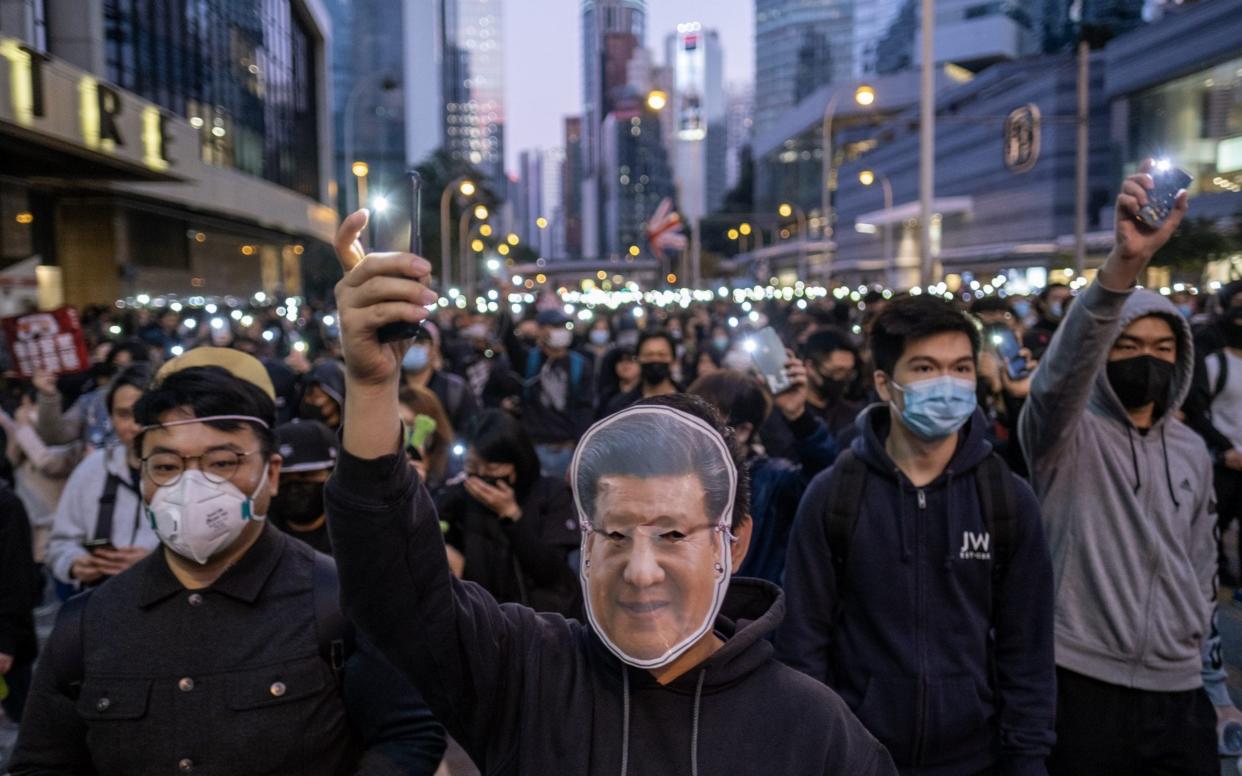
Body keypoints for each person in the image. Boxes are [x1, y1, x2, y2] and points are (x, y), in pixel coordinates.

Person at [324, 209, 897, 775]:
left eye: (672, 533)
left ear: (733, 544)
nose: (640, 570)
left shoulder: (812, 731)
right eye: (617, 535)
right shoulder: (527, 672)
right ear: (588, 541)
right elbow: (395, 592)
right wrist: (372, 386)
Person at [9, 346, 446, 775]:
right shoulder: (88, 623)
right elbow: (43, 761)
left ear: (270, 474)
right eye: (165, 466)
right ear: (142, 475)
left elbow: (408, 737)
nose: (190, 486)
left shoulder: (338, 604)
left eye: (221, 463)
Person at [777, 294, 1055, 775]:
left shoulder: (1006, 499)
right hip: (857, 756)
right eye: (925, 368)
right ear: (886, 384)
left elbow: (1026, 646)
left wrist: (1028, 758)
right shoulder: (835, 496)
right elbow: (804, 642)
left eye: (961, 368)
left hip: (978, 758)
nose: (947, 384)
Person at [1018, 164, 1218, 773]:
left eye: (1163, 350)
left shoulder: (1190, 451)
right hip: (1081, 680)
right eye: (1128, 348)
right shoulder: (1061, 434)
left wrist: (1214, 680)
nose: (1146, 362)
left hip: (1180, 689)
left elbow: (1202, 566)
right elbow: (1063, 373)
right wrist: (1123, 265)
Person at [689, 364, 839, 586]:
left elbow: (825, 477)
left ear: (743, 431)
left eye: (705, 421)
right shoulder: (677, 476)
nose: (692, 431)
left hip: (748, 611)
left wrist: (798, 416)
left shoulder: (772, 479)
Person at [435, 409, 581, 615]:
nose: (483, 476)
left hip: (542, 618)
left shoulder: (550, 493)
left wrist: (511, 514)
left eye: (492, 468)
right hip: (483, 616)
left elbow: (552, 572)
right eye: (473, 466)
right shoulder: (463, 493)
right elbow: (428, 522)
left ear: (516, 462)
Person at [43, 364, 159, 589]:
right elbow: (59, 544)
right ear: (111, 418)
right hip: (102, 603)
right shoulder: (92, 469)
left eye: (144, 414)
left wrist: (158, 563)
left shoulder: (191, 473)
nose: (135, 426)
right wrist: (75, 564)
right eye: (124, 414)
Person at [1184, 299, 1242, 586]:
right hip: (1223, 460)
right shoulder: (1214, 364)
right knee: (1216, 523)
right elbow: (1198, 411)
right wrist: (1224, 448)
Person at [501, 308, 595, 478]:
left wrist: (581, 449)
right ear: (540, 330)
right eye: (554, 326)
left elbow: (585, 409)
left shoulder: (580, 365)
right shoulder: (529, 360)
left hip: (566, 448)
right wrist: (504, 305)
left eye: (563, 326)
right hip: (534, 446)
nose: (560, 331)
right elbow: (509, 341)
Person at [0, 479, 39, 724]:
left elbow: (17, 577)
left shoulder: (6, 505)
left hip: (7, 642)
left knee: (24, 719)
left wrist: (5, 641)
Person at [268, 419, 337, 555]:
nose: (293, 488)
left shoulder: (354, 537)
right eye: (283, 478)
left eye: (305, 475)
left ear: (332, 474)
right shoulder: (257, 540)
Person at [400, 325, 480, 436]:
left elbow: (470, 430)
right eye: (407, 344)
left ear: (434, 349)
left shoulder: (454, 389)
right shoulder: (389, 388)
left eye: (420, 343)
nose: (413, 348)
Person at [601, 330, 680, 416]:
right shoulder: (620, 407)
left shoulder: (690, 403)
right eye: (649, 355)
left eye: (662, 354)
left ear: (673, 360)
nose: (655, 359)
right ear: (638, 359)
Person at [1022, 283, 1071, 359]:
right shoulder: (1033, 334)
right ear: (1043, 303)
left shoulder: (1076, 328)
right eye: (1057, 298)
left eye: (1067, 299)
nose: (1063, 303)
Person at [300, 358, 346, 430]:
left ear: (335, 398)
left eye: (317, 396)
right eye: (308, 395)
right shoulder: (303, 430)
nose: (308, 400)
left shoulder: (350, 435)